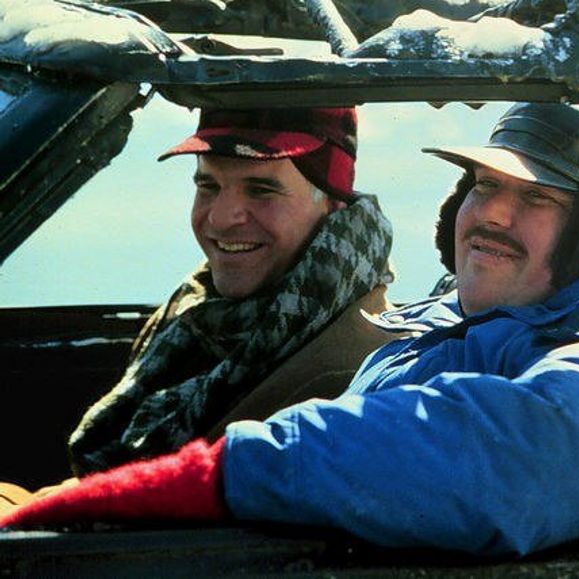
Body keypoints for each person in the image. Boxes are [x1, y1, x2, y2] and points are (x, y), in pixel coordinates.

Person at [1, 103, 579, 557]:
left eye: (537, 198)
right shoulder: (443, 323)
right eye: (481, 187)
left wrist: (222, 473)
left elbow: (528, 457)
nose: (490, 215)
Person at [66, 107, 396, 476]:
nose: (221, 218)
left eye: (262, 190)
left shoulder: (361, 373)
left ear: (333, 205)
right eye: (208, 186)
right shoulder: (194, 313)